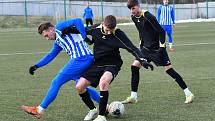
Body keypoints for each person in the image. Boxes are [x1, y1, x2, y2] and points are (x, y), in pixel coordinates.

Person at [73, 15, 154, 121]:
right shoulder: (95, 29)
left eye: (111, 30)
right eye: (107, 30)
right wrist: (61, 30)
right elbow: (78, 29)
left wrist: (143, 60)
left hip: (113, 63)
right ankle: (93, 110)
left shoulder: (118, 34)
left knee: (103, 82)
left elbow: (132, 48)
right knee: (79, 86)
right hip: (97, 63)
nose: (109, 32)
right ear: (103, 24)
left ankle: (101, 116)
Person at [20, 18, 100, 118]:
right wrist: (36, 65)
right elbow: (50, 55)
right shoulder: (58, 41)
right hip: (84, 59)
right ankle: (105, 106)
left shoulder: (59, 27)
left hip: (81, 59)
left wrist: (84, 37)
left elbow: (78, 21)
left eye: (46, 35)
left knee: (56, 81)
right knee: (81, 86)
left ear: (51, 29)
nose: (47, 38)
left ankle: (39, 110)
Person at [121, 0, 194, 104]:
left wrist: (161, 47)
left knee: (169, 70)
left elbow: (161, 31)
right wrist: (141, 45)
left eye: (133, 8)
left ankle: (188, 93)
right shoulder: (133, 18)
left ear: (138, 6)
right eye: (130, 9)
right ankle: (133, 96)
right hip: (145, 49)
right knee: (134, 66)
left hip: (157, 49)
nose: (132, 11)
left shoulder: (148, 16)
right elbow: (141, 32)